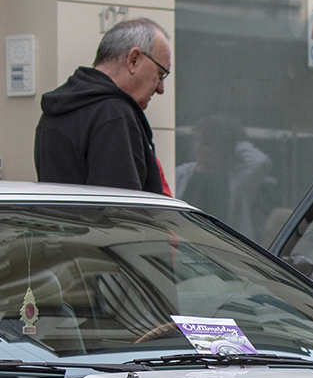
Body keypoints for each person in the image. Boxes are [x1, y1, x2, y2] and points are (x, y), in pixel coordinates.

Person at [33, 18, 171, 194]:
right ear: (134, 60)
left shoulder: (55, 112)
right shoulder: (114, 114)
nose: (160, 89)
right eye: (160, 74)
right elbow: (120, 210)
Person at [176, 115, 274, 239]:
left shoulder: (239, 176)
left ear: (222, 146)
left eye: (207, 143)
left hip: (227, 249)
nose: (198, 148)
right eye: (196, 140)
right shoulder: (182, 173)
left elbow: (262, 162)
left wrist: (236, 143)